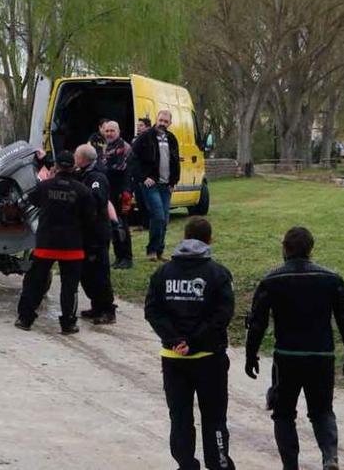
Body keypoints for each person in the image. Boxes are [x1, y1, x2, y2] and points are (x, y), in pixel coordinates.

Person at [245, 227, 344, 470]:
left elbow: (257, 323)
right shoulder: (331, 279)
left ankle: (291, 466)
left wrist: (250, 354)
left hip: (287, 356)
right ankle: (330, 457)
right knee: (322, 411)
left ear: (285, 248)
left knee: (284, 413)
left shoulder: (272, 280)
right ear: (311, 249)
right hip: (321, 354)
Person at [144, 217, 236, 470]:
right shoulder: (218, 274)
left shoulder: (163, 273)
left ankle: (186, 464)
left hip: (174, 359)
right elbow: (222, 316)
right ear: (209, 240)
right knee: (214, 418)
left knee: (180, 417)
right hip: (209, 357)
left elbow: (152, 311)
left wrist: (175, 340)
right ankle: (218, 463)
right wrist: (194, 342)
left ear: (184, 238)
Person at [15, 150, 94, 335]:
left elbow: (26, 202)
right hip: (73, 247)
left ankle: (25, 318)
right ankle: (68, 324)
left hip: (46, 245)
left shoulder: (44, 187)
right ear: (74, 166)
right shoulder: (82, 190)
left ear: (56, 166)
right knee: (70, 288)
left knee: (34, 283)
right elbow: (91, 217)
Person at [74, 144, 117, 324]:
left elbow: (96, 202)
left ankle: (107, 309)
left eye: (77, 156)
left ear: (83, 159)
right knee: (86, 272)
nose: (75, 159)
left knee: (99, 272)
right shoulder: (82, 175)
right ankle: (96, 305)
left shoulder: (96, 177)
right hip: (85, 232)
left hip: (96, 234)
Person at [132, 110, 180, 262]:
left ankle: (159, 251)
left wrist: (174, 181)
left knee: (164, 219)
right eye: (161, 120)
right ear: (156, 119)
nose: (162, 124)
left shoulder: (172, 138)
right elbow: (132, 159)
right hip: (151, 184)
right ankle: (151, 250)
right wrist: (143, 177)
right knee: (158, 216)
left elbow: (175, 161)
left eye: (166, 121)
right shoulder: (145, 137)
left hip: (166, 185)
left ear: (170, 123)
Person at [99, 120, 133, 269]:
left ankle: (126, 257)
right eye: (107, 131)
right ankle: (119, 256)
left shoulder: (123, 147)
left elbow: (119, 168)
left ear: (118, 132)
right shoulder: (105, 147)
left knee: (121, 225)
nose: (109, 133)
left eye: (112, 131)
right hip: (108, 191)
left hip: (121, 191)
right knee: (112, 226)